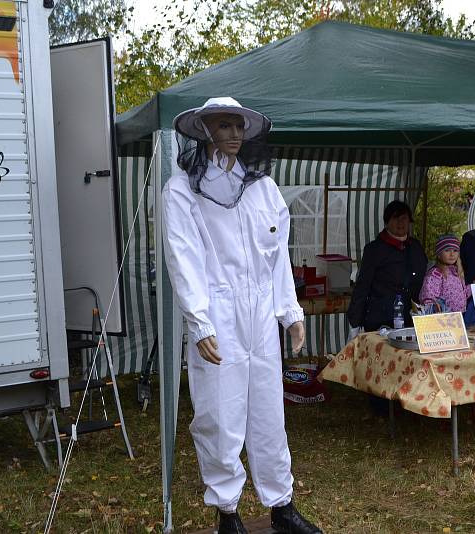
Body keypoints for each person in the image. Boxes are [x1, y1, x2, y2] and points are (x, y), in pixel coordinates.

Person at [161, 97, 322, 534]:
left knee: (269, 412)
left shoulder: (263, 189)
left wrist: (291, 313)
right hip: (218, 314)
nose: (233, 133)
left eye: (238, 125)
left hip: (260, 319)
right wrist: (200, 322)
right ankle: (227, 512)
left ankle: (281, 505)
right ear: (204, 130)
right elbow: (184, 258)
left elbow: (277, 259)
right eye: (223, 125)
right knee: (219, 414)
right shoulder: (181, 191)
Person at [347, 200, 428, 332]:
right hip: (381, 320)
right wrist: (355, 322)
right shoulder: (374, 249)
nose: (401, 223)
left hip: (412, 318)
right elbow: (363, 285)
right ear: (387, 222)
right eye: (396, 218)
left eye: (404, 218)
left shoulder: (416, 247)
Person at [419, 234, 471, 313]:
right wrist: (434, 311)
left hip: (459, 317)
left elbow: (463, 294)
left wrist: (474, 288)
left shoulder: (456, 272)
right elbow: (428, 297)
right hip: (443, 319)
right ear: (439, 254)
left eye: (455, 250)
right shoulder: (435, 274)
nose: (452, 254)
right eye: (447, 250)